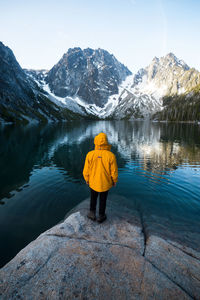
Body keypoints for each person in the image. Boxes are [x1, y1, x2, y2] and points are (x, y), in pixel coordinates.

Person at [83, 132, 118, 223]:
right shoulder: (111, 155)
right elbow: (114, 171)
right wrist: (114, 180)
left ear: (96, 142)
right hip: (105, 182)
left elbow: (86, 170)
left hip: (93, 181)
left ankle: (92, 213)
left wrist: (87, 179)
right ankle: (101, 216)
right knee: (103, 199)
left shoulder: (90, 154)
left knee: (93, 197)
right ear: (106, 142)